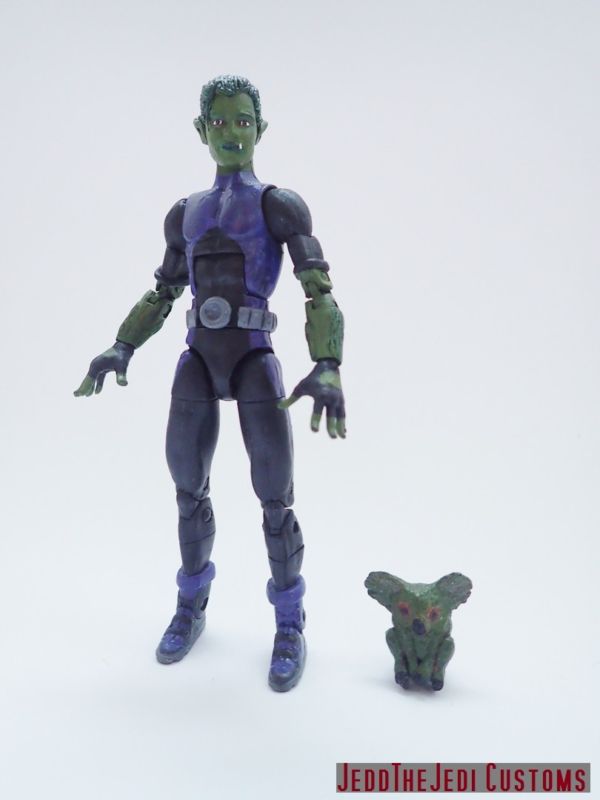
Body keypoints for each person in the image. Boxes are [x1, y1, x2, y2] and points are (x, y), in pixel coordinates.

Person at [75, 74, 345, 692]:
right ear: (201, 129)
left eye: (243, 120)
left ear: (261, 128)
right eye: (219, 121)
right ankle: (190, 604)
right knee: (187, 488)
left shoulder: (279, 205)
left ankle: (289, 622)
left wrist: (328, 361)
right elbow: (164, 292)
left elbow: (319, 290)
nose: (231, 132)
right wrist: (122, 345)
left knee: (274, 496)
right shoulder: (185, 213)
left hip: (252, 356)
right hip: (198, 356)